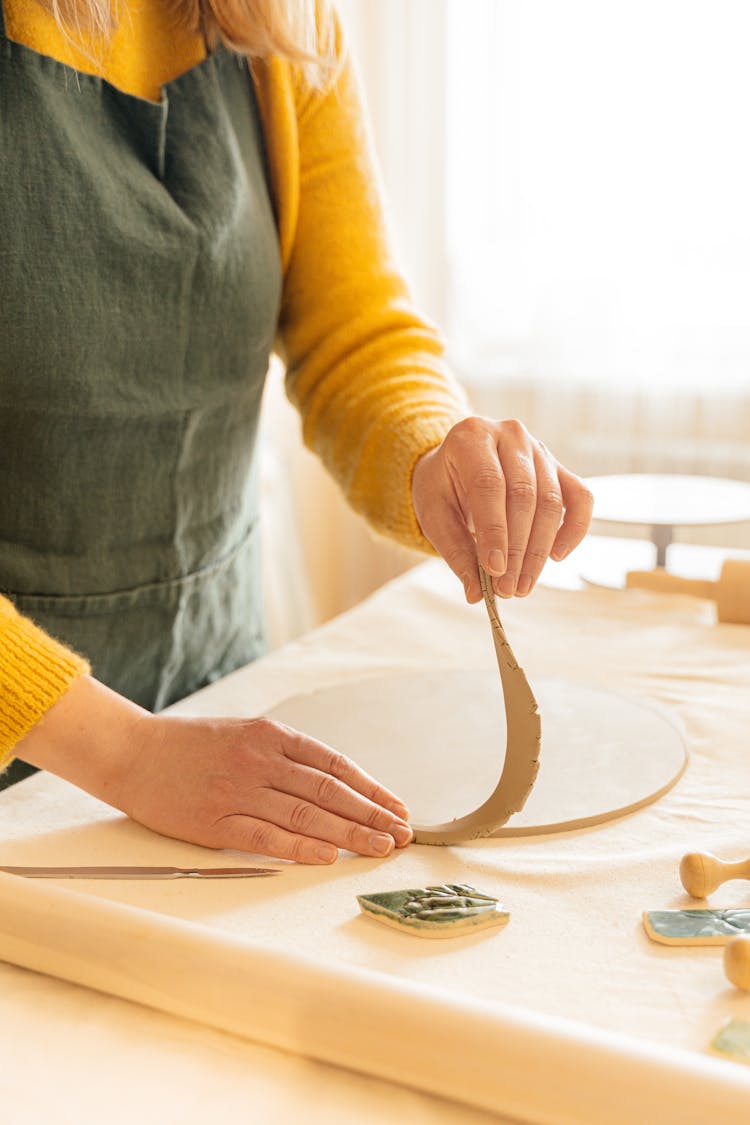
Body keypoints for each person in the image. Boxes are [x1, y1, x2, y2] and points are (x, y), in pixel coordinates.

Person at [0, 0, 593, 864]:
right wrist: (125, 752)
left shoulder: (284, 21)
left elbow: (353, 333)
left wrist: (435, 453)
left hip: (215, 713)